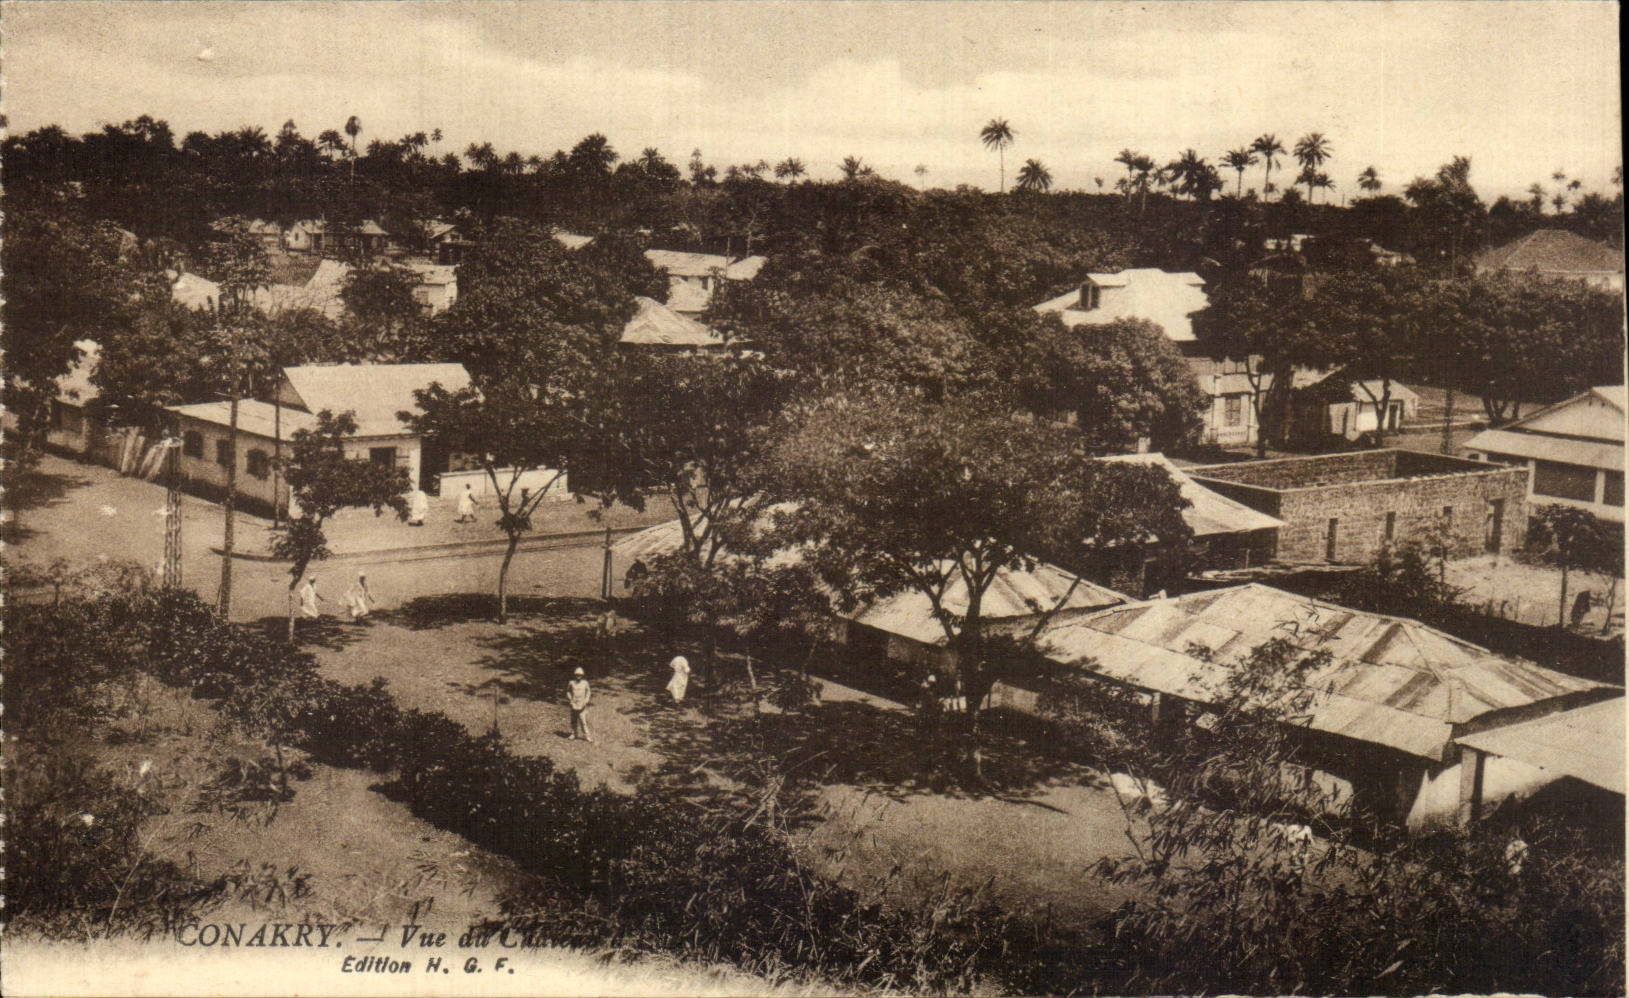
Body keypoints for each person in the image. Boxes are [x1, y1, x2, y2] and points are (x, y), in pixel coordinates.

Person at [566, 667, 593, 742]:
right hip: (573, 704)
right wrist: (570, 699)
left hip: (582, 705)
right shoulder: (571, 683)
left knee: (583, 721)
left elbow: (588, 692)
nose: (578, 676)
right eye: (577, 675)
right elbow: (568, 691)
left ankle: (586, 735)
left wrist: (586, 700)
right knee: (573, 720)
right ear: (575, 675)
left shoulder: (585, 683)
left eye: (580, 675)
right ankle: (574, 734)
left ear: (582, 675)